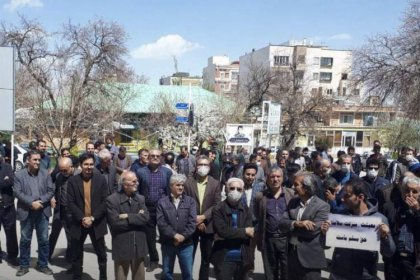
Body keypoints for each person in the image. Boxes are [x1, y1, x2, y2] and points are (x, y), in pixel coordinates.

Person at [321, 180, 395, 280]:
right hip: (338, 275)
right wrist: (324, 233)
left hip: (365, 276)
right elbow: (324, 246)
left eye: (347, 196)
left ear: (360, 197)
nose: (342, 199)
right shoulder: (340, 217)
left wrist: (386, 237)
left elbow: (389, 252)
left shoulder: (378, 219)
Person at [280, 171, 330, 280]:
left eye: (297, 184)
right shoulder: (293, 202)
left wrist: (291, 226)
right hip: (291, 255)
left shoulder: (322, 206)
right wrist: (297, 223)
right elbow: (282, 223)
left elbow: (312, 231)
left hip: (310, 258)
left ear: (307, 188)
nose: (293, 187)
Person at [13, 150, 55, 276]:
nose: (37, 162)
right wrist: (32, 202)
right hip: (26, 211)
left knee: (43, 240)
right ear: (28, 160)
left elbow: (51, 189)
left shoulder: (45, 173)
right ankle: (24, 265)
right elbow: (17, 192)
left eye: (39, 160)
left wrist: (40, 201)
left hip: (43, 210)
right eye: (35, 160)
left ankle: (43, 265)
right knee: (25, 239)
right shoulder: (19, 175)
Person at [67, 154, 108, 280]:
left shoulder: (100, 179)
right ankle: (77, 276)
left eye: (91, 164)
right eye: (86, 164)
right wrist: (82, 218)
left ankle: (103, 277)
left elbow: (105, 201)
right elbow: (71, 202)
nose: (88, 167)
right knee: (77, 253)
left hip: (96, 222)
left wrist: (93, 218)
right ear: (80, 165)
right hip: (79, 223)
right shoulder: (73, 181)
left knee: (101, 253)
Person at [106, 171, 149, 280]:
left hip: (139, 244)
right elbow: (115, 223)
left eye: (137, 180)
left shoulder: (140, 198)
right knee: (121, 276)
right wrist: (136, 218)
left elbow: (145, 218)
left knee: (139, 277)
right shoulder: (112, 200)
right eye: (134, 181)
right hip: (122, 244)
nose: (137, 183)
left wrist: (127, 216)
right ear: (125, 184)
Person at [184, 155, 221, 280]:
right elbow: (185, 203)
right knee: (189, 257)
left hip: (208, 225)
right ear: (196, 167)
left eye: (206, 165)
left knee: (206, 258)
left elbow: (217, 204)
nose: (203, 167)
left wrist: (204, 217)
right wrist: (196, 219)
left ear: (209, 168)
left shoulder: (215, 184)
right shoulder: (188, 182)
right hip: (191, 225)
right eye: (200, 164)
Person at [254, 167, 295, 280]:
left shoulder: (291, 194)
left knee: (287, 269)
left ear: (283, 178)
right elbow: (258, 216)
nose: (275, 179)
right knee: (270, 270)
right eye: (272, 177)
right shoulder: (260, 197)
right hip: (268, 239)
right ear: (267, 179)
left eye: (278, 177)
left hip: (286, 239)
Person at [136, 149, 172, 272]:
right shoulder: (141, 172)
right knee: (150, 237)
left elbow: (170, 190)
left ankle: (167, 263)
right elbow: (137, 191)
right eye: (152, 156)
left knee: (165, 236)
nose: (155, 157)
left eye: (157, 155)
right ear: (148, 157)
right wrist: (139, 207)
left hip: (163, 209)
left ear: (161, 157)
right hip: (147, 208)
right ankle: (154, 260)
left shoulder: (167, 172)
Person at [211, 178, 254, 280]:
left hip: (242, 256)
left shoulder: (245, 209)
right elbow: (223, 231)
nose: (235, 191)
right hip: (223, 256)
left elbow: (250, 231)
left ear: (242, 191)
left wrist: (237, 232)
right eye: (232, 188)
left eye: (239, 189)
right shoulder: (218, 209)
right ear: (226, 189)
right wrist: (244, 231)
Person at [157, 174, 196, 280]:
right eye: (177, 185)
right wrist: (174, 235)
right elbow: (161, 222)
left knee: (188, 272)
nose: (180, 187)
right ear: (171, 186)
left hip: (186, 243)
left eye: (182, 185)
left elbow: (192, 222)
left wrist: (182, 236)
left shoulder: (190, 201)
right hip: (168, 243)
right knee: (167, 271)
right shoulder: (162, 202)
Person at [381, 175, 420, 280]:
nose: (410, 195)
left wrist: (417, 211)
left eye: (415, 192)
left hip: (413, 260)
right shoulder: (390, 207)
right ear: (402, 191)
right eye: (407, 191)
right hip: (394, 259)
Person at [49, 157, 79, 263]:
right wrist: (52, 197)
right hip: (59, 210)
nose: (63, 172)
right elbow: (54, 189)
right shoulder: (59, 176)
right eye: (61, 170)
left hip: (72, 212)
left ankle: (70, 260)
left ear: (71, 167)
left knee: (71, 237)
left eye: (65, 170)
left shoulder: (79, 175)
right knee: (53, 234)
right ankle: (46, 257)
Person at [0, 153, 19, 266]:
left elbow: (11, 181)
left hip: (7, 205)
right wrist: (3, 180)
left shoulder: (7, 167)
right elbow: (5, 182)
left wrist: (6, 180)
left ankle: (12, 256)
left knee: (11, 232)